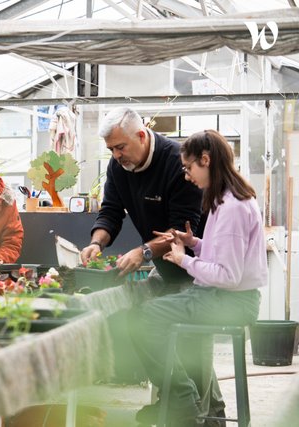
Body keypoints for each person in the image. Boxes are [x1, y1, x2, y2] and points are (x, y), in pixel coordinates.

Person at [78, 107, 228, 425]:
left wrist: (143, 252)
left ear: (142, 136)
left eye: (121, 147)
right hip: (168, 264)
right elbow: (111, 210)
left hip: (201, 268)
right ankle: (192, 405)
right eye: (111, 150)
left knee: (185, 337)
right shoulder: (119, 168)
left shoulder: (178, 163)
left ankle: (192, 412)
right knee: (142, 322)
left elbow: (183, 228)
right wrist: (97, 242)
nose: (117, 155)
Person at [129, 129, 266, 426]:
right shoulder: (224, 200)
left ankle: (181, 401)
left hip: (230, 300)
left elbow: (228, 276)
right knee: (148, 315)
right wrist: (193, 243)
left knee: (144, 319)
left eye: (189, 168)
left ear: (206, 160)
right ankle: (190, 402)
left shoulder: (231, 208)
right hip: (222, 296)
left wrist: (184, 260)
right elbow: (222, 255)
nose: (187, 176)